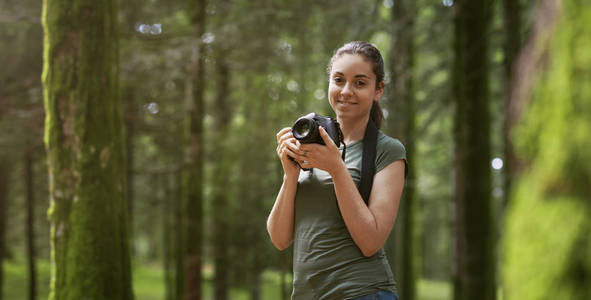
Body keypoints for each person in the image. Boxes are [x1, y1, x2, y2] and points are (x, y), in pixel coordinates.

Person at [267, 41, 406, 300]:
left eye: (360, 83)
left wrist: (336, 168)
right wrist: (290, 176)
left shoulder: (388, 151)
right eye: (339, 80)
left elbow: (370, 241)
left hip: (363, 292)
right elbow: (279, 239)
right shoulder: (310, 145)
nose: (346, 91)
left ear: (379, 90)